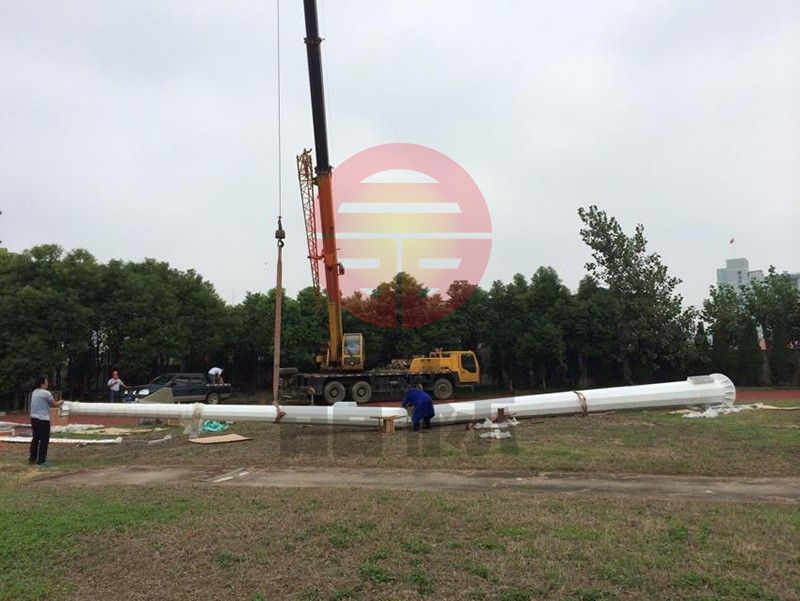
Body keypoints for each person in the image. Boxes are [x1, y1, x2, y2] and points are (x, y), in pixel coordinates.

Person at [29, 376, 63, 467]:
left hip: (34, 418)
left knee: (35, 439)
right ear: (42, 383)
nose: (47, 383)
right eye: (46, 381)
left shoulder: (34, 392)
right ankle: (41, 461)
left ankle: (32, 458)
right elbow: (54, 404)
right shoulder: (46, 393)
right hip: (43, 419)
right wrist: (61, 402)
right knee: (44, 440)